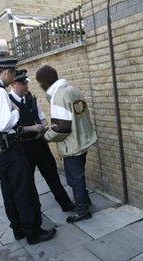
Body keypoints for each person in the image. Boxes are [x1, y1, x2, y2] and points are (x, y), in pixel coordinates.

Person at [0, 58, 56, 245]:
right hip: (9, 146)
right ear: (7, 72)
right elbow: (4, 123)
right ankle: (34, 233)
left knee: (8, 188)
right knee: (24, 189)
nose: (13, 79)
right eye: (14, 74)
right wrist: (14, 111)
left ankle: (18, 229)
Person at [35, 65, 97, 223]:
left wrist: (46, 136)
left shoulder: (59, 96)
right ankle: (85, 202)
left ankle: (82, 211)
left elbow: (62, 128)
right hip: (83, 140)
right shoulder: (73, 90)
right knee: (78, 176)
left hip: (72, 145)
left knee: (74, 179)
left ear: (43, 83)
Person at [9, 69, 74, 212]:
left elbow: (41, 115)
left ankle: (66, 205)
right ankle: (34, 212)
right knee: (27, 183)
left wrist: (43, 126)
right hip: (23, 147)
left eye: (26, 82)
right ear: (13, 84)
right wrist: (32, 128)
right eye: (22, 83)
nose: (26, 86)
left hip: (39, 143)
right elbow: (10, 127)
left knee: (52, 175)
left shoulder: (31, 98)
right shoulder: (8, 102)